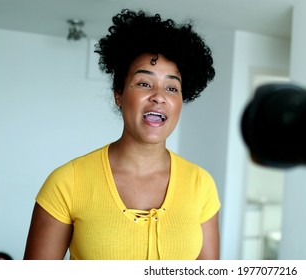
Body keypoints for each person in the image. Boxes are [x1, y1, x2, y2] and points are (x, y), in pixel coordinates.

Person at [24, 9, 219, 260]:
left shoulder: (201, 185)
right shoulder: (67, 182)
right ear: (119, 94)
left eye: (172, 87)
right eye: (144, 83)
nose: (159, 96)